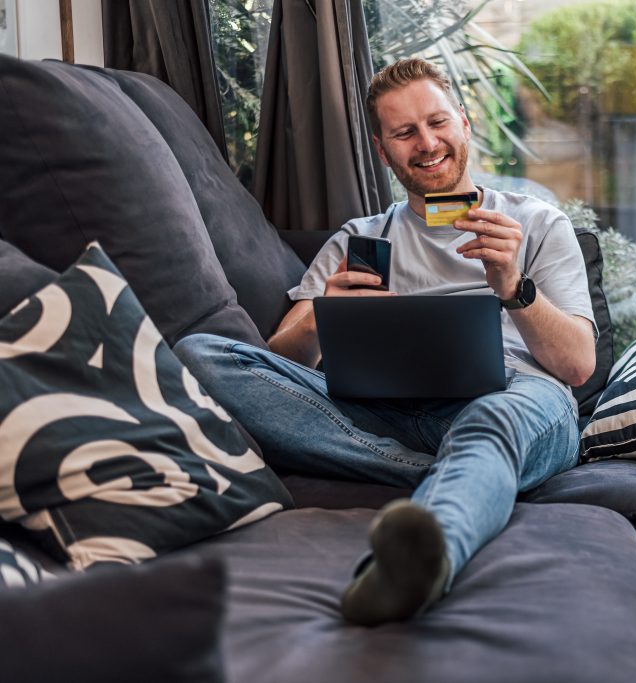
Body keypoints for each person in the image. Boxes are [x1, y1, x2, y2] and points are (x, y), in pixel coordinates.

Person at [174, 58, 597, 626]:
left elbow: (576, 367)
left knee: (490, 424)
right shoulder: (360, 237)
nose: (426, 144)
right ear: (382, 149)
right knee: (199, 356)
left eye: (438, 123)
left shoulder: (537, 224)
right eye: (405, 133)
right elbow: (279, 359)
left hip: (514, 398)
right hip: (382, 412)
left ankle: (426, 556)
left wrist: (514, 288)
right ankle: (464, 472)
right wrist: (324, 317)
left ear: (465, 125)